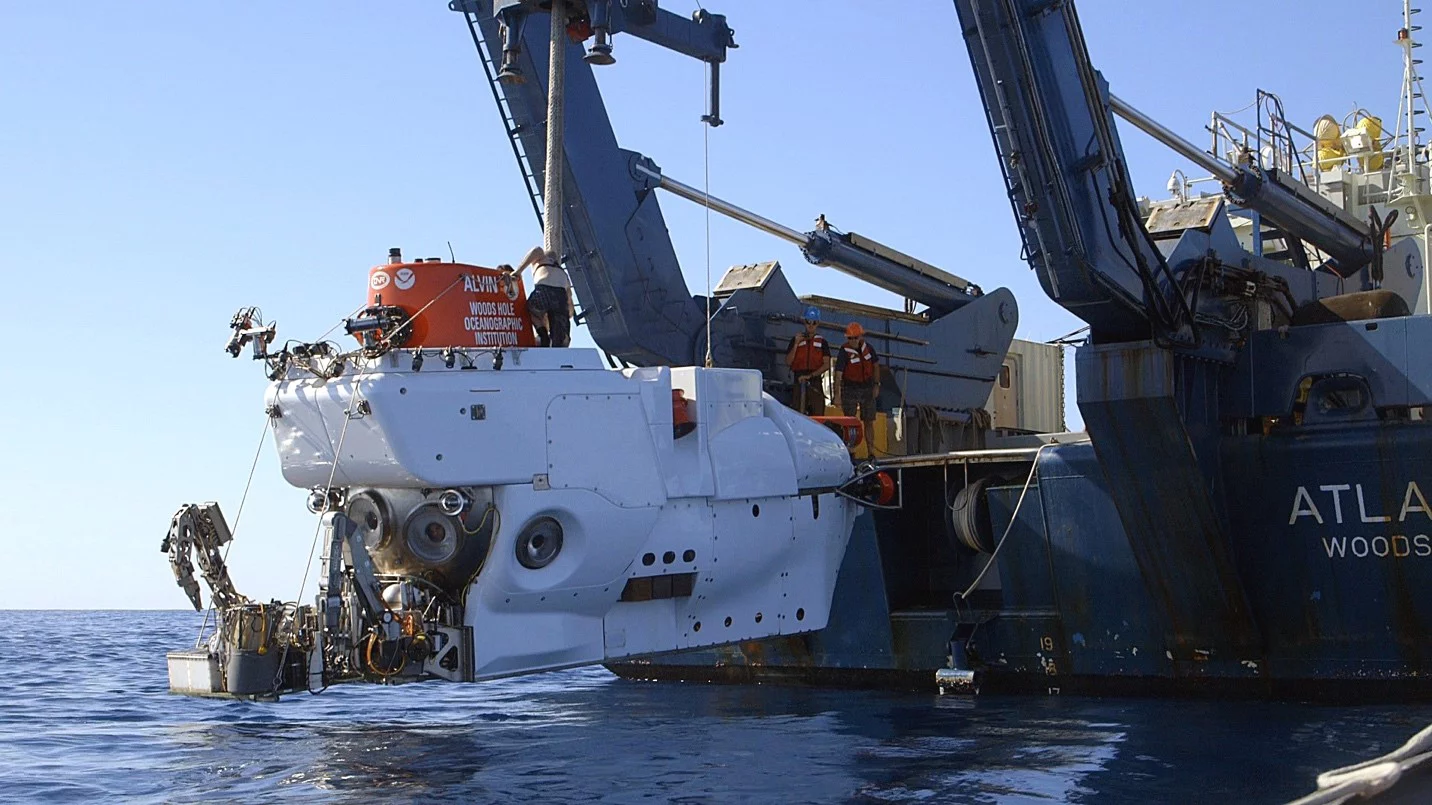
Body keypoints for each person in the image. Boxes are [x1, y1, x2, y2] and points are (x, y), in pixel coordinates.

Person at [509, 246, 576, 347]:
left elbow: (536, 250)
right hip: (560, 297)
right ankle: (557, 344)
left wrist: (518, 272)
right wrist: (567, 316)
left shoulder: (542, 260)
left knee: (529, 310)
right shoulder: (564, 275)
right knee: (560, 337)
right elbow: (569, 301)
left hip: (544, 291)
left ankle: (543, 334)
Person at [833, 321, 880, 457]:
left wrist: (877, 385)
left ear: (861, 337)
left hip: (867, 388)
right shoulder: (844, 352)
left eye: (855, 337)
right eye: (850, 338)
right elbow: (838, 374)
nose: (853, 340)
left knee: (869, 420)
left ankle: (871, 452)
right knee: (850, 421)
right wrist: (837, 395)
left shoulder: (869, 349)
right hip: (850, 389)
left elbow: (876, 366)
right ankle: (851, 451)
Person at [785, 306, 831, 416]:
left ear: (818, 323)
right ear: (804, 322)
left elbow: (827, 365)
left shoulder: (822, 342)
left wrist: (810, 376)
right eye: (808, 322)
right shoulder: (795, 339)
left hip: (815, 382)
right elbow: (788, 362)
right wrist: (796, 344)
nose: (811, 325)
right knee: (797, 414)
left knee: (818, 416)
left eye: (814, 322)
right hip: (798, 381)